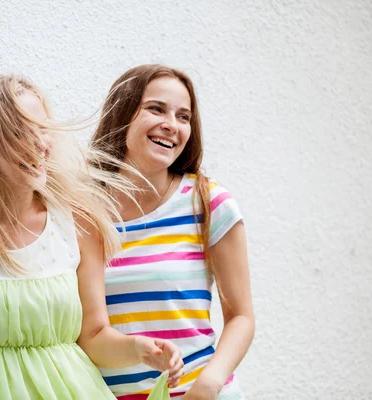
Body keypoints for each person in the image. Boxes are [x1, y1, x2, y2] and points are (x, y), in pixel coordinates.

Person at [0, 74, 184, 399]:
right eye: (21, 131)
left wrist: (140, 349)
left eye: (43, 129)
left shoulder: (79, 223)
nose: (41, 144)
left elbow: (93, 336)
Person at [90, 65, 255, 399]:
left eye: (183, 116)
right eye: (156, 109)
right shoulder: (86, 212)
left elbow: (241, 316)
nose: (171, 125)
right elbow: (89, 333)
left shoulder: (208, 203)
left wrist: (209, 384)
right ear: (122, 113)